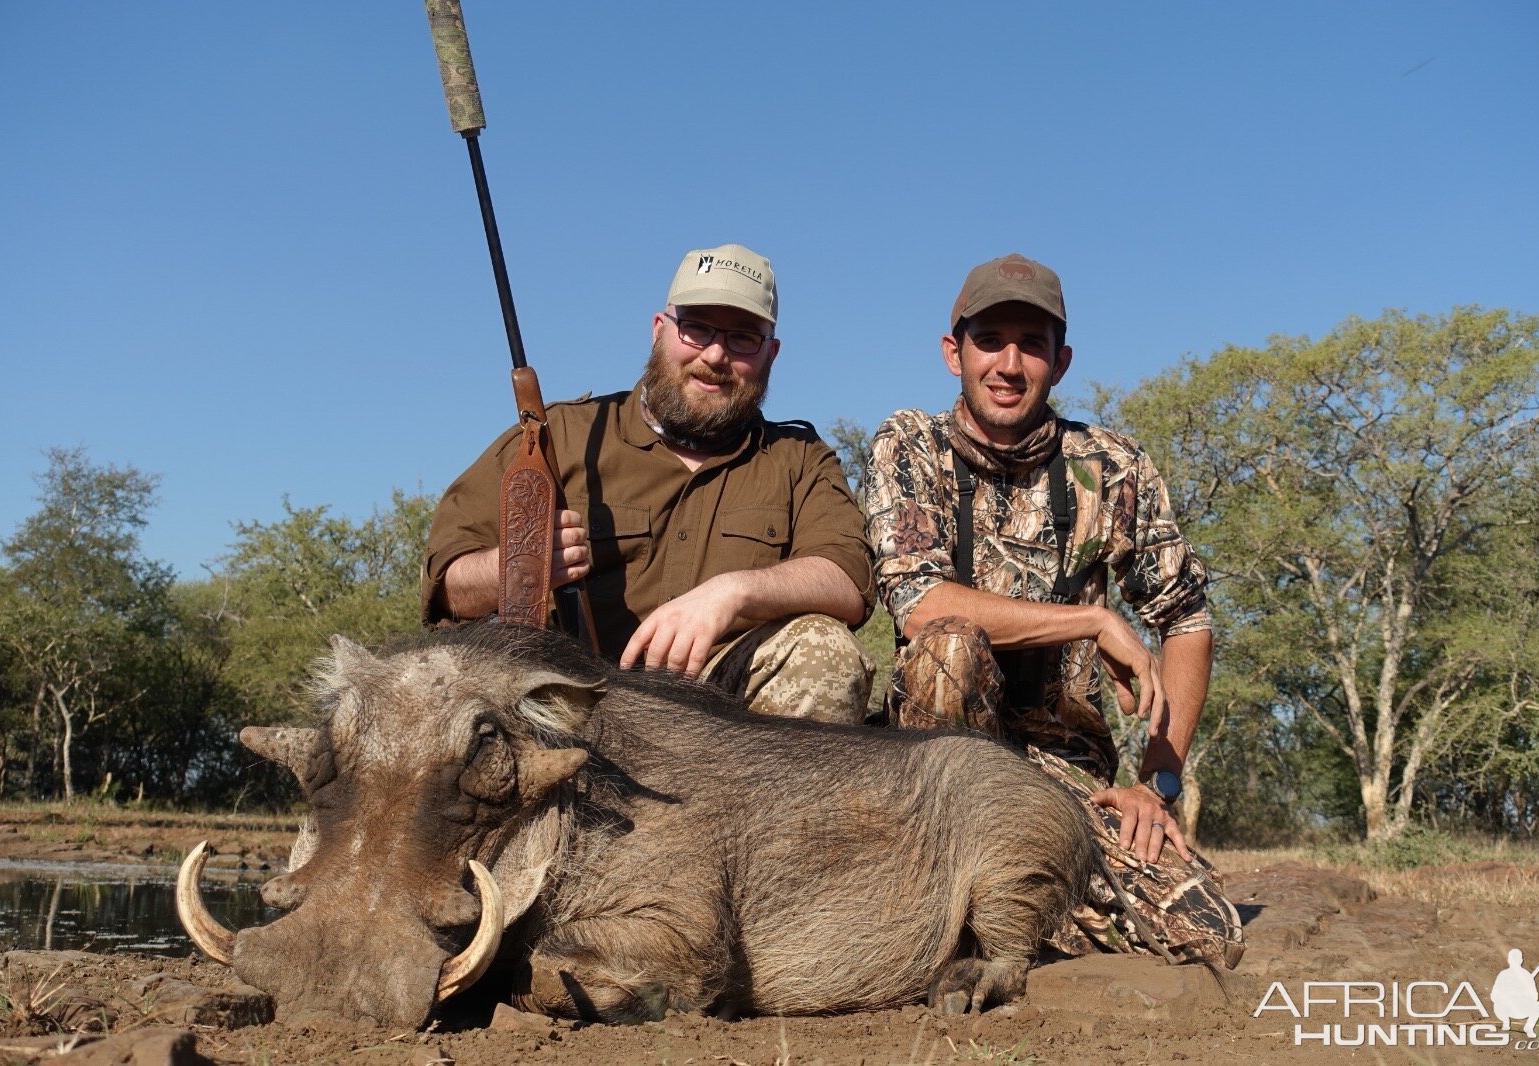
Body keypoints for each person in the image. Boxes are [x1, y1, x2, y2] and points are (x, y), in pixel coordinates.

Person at [861, 253, 1244, 966]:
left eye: (1031, 344)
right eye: (989, 341)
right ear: (954, 353)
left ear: (1059, 362)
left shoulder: (1112, 466)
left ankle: (1009, 906)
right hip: (927, 774)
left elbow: (1186, 618)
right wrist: (1096, 621)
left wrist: (1157, 782)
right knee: (949, 648)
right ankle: (939, 904)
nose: (1009, 364)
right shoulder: (909, 444)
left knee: (1206, 933)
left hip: (1062, 773)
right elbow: (918, 603)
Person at [423, 243, 876, 723]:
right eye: (697, 328)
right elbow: (446, 584)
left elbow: (848, 579)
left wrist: (733, 592)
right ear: (661, 329)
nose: (716, 355)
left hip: (733, 731)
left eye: (743, 338)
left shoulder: (798, 459)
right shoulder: (561, 436)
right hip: (571, 705)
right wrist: (519, 564)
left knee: (825, 651)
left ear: (771, 353)